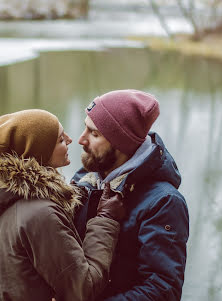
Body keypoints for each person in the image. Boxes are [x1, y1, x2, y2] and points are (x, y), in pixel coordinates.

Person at [0, 109, 126, 301]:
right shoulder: (41, 213)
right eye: (60, 140)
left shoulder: (11, 199)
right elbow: (84, 289)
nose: (71, 140)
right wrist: (106, 218)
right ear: (38, 153)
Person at [71, 90, 189, 300]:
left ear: (121, 144)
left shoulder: (164, 202)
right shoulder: (86, 179)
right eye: (85, 127)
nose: (81, 139)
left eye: (94, 133)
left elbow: (163, 290)